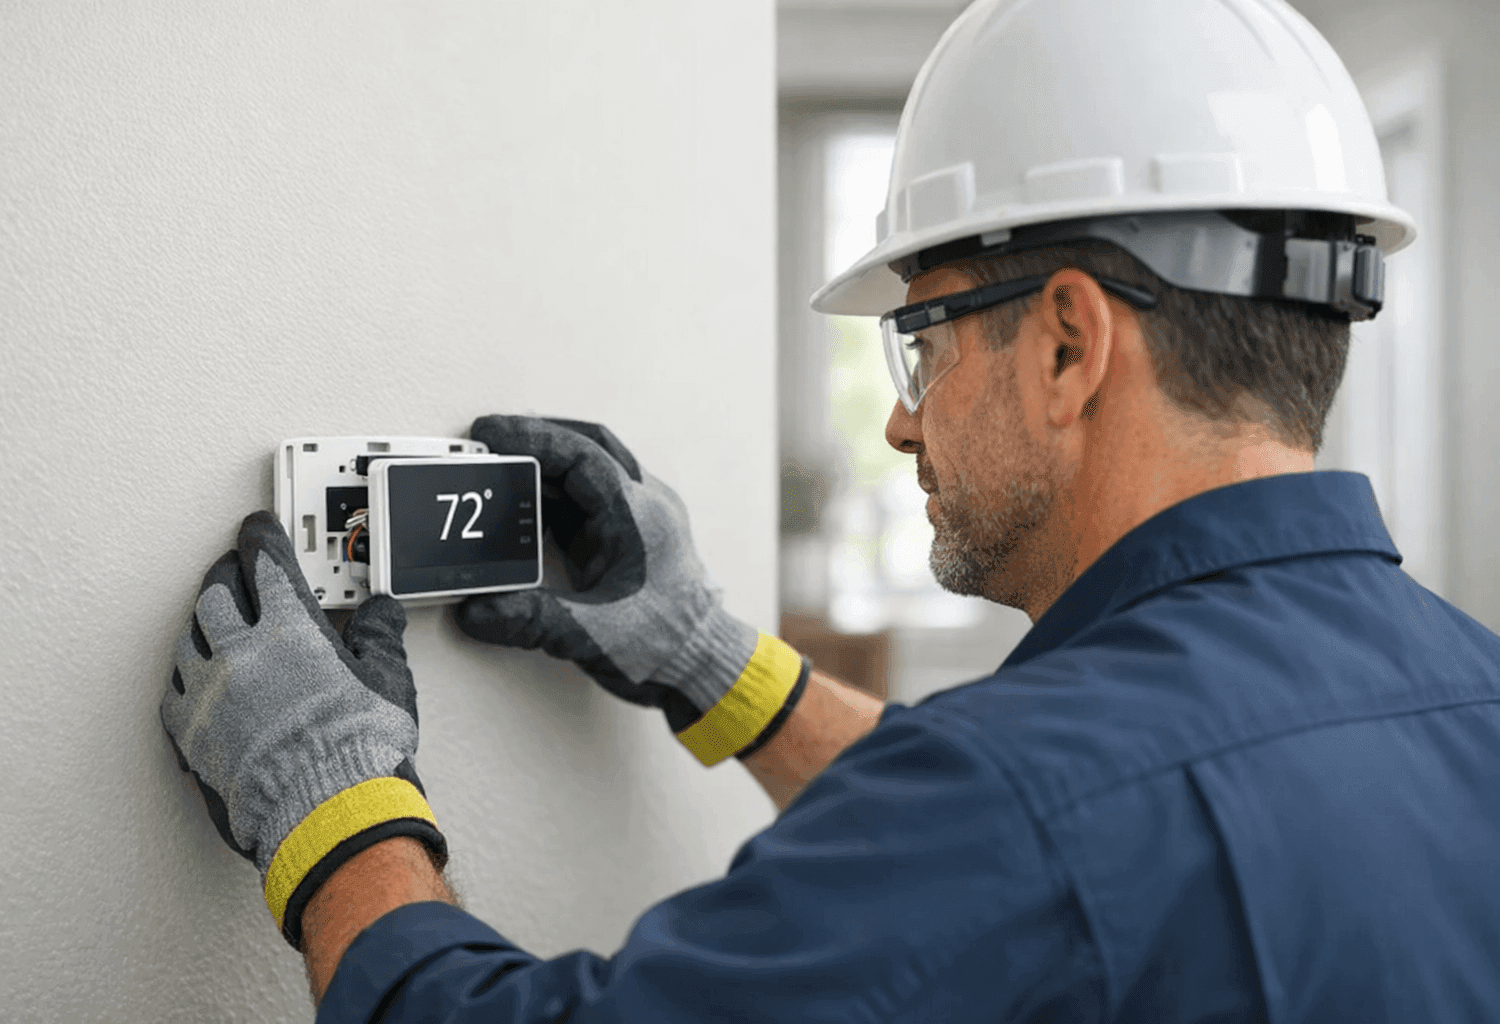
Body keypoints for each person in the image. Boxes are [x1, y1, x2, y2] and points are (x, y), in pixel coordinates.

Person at [161, 0, 1500, 1020]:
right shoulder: (1471, 695)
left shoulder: (1015, 799)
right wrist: (714, 666)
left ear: (1068, 347)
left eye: (922, 339)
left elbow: (1036, 833)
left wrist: (329, 805)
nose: (902, 417)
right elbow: (1087, 844)